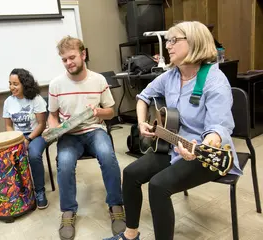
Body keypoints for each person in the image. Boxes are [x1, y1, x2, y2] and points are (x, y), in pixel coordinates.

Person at [104, 21, 243, 240]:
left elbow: (219, 126)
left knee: (158, 186)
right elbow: (143, 97)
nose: (167, 46)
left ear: (195, 42)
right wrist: (141, 123)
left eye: (173, 40)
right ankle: (130, 234)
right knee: (130, 174)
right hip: (172, 145)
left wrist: (207, 145)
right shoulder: (171, 76)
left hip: (207, 155)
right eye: (167, 40)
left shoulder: (215, 81)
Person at [47, 36, 126, 240]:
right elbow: (52, 115)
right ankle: (68, 212)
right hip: (69, 135)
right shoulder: (56, 84)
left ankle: (116, 205)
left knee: (108, 156)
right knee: (64, 163)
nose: (68, 63)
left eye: (72, 57)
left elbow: (110, 112)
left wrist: (99, 112)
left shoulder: (99, 80)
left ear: (83, 55)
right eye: (64, 60)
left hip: (94, 130)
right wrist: (55, 130)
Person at [2, 68, 48, 209]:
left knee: (33, 155)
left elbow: (41, 124)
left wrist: (28, 139)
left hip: (36, 135)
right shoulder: (8, 102)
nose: (11, 87)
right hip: (17, 137)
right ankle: (21, 190)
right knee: (7, 156)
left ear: (24, 84)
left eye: (15, 84)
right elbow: (8, 126)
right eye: (10, 83)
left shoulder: (36, 99)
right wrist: (15, 139)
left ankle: (39, 191)